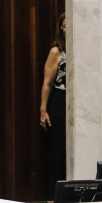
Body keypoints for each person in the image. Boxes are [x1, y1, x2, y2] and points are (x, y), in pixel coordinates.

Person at [40, 12, 67, 189]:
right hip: (60, 100)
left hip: (80, 104)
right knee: (58, 148)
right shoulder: (57, 51)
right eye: (64, 26)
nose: (68, 29)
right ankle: (55, 192)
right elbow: (47, 83)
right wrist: (43, 110)